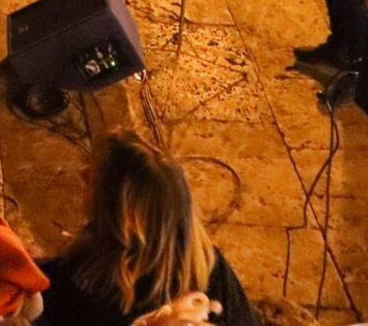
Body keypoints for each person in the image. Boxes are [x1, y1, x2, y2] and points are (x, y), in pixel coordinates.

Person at [38, 130, 259, 326]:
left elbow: (38, 300)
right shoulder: (213, 267)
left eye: (93, 180)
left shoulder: (86, 283)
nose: (82, 174)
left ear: (123, 218)